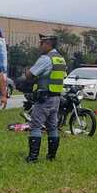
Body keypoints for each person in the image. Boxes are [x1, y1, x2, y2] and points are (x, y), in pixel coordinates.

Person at [24, 34, 67, 162]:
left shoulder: (45, 59)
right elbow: (62, 77)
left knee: (35, 126)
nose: (40, 46)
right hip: (56, 98)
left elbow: (30, 75)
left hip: (44, 98)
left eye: (41, 43)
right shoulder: (61, 59)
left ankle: (33, 157)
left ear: (48, 44)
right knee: (52, 127)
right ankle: (51, 156)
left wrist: (29, 76)